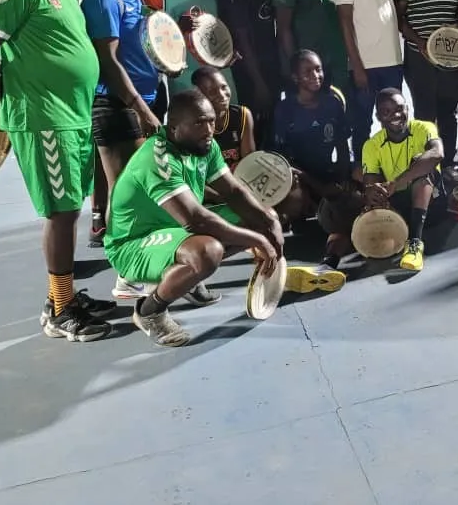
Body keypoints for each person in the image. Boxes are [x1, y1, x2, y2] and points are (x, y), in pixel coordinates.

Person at [0, 0, 115, 341]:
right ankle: (61, 310)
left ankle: (63, 294)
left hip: (71, 115)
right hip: (42, 118)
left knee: (69, 208)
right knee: (60, 213)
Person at [104, 90, 284, 347]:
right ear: (174, 127)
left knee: (263, 218)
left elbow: (233, 191)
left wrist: (270, 223)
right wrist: (258, 239)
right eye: (199, 122)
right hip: (133, 243)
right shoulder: (159, 159)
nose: (209, 129)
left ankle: (183, 279)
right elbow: (196, 221)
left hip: (172, 228)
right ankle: (149, 311)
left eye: (211, 121)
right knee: (207, 252)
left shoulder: (205, 145)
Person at [81, 0, 162, 230]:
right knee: (128, 193)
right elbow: (108, 61)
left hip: (140, 101)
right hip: (116, 105)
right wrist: (141, 108)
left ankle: (139, 267)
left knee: (145, 189)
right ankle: (127, 270)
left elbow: (140, 43)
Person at [271, 50, 357, 285]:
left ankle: (328, 261)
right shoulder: (285, 109)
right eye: (307, 72)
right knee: (294, 197)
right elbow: (282, 160)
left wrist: (341, 179)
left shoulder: (333, 100)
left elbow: (341, 144)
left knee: (354, 194)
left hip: (327, 170)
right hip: (299, 175)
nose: (316, 75)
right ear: (295, 77)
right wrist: (317, 186)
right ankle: (274, 259)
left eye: (318, 69)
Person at [394, 0, 458, 179]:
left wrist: (456, 32)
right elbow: (400, 19)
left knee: (448, 111)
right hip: (419, 56)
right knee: (425, 113)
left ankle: (447, 165)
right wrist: (422, 43)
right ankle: (427, 169)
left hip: (450, 56)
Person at [334, 0, 403, 158]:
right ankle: (363, 175)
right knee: (362, 123)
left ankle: (393, 167)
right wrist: (357, 66)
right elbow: (344, 20)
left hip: (393, 60)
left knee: (395, 122)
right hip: (365, 65)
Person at [362, 88, 446, 273]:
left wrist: (397, 182)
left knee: (421, 168)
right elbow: (370, 183)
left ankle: (415, 244)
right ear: (378, 117)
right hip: (401, 211)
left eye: (400, 108)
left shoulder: (424, 127)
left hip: (433, 206)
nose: (396, 115)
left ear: (408, 108)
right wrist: (373, 192)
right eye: (387, 111)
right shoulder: (371, 145)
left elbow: (437, 154)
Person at [218, 0, 281, 141]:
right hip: (251, 75)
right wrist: (259, 83)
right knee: (255, 135)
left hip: (272, 67)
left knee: (274, 132)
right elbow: (242, 39)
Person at [193, 65, 255, 169]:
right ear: (199, 95)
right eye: (212, 91)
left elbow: (248, 162)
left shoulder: (242, 115)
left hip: (238, 178)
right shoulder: (194, 124)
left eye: (224, 87)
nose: (222, 95)